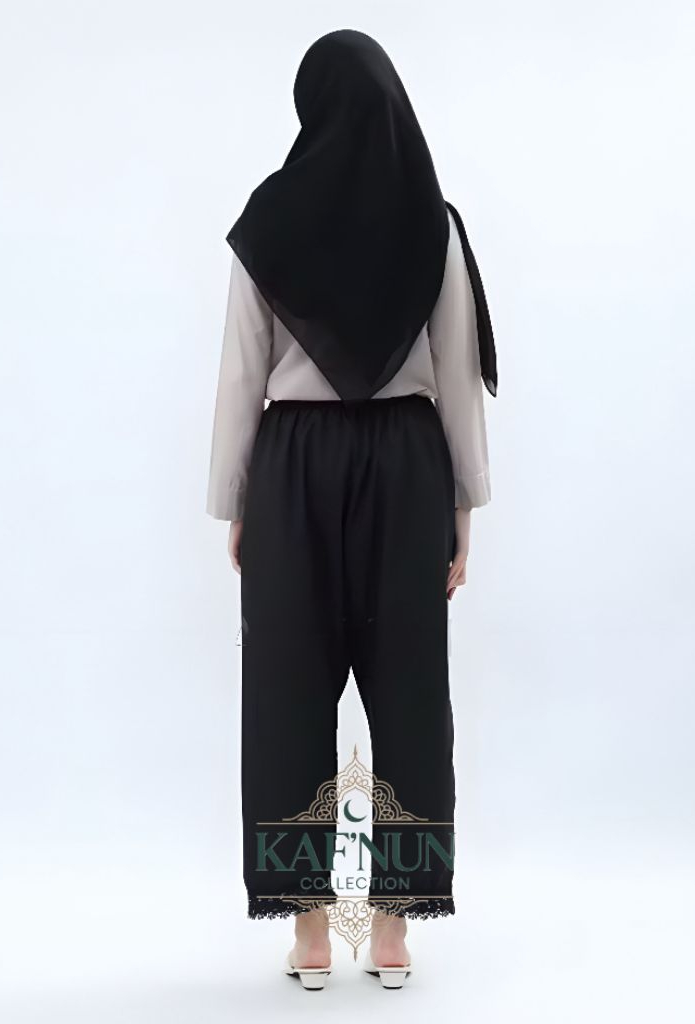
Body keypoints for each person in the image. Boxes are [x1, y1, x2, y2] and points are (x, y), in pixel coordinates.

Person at [206, 28, 497, 989]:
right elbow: (457, 372)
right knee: (409, 686)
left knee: (287, 687)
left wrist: (238, 500)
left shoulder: (270, 220)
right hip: (409, 466)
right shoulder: (432, 222)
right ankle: (395, 929)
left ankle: (310, 931)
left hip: (292, 464)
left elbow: (242, 373)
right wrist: (464, 507)